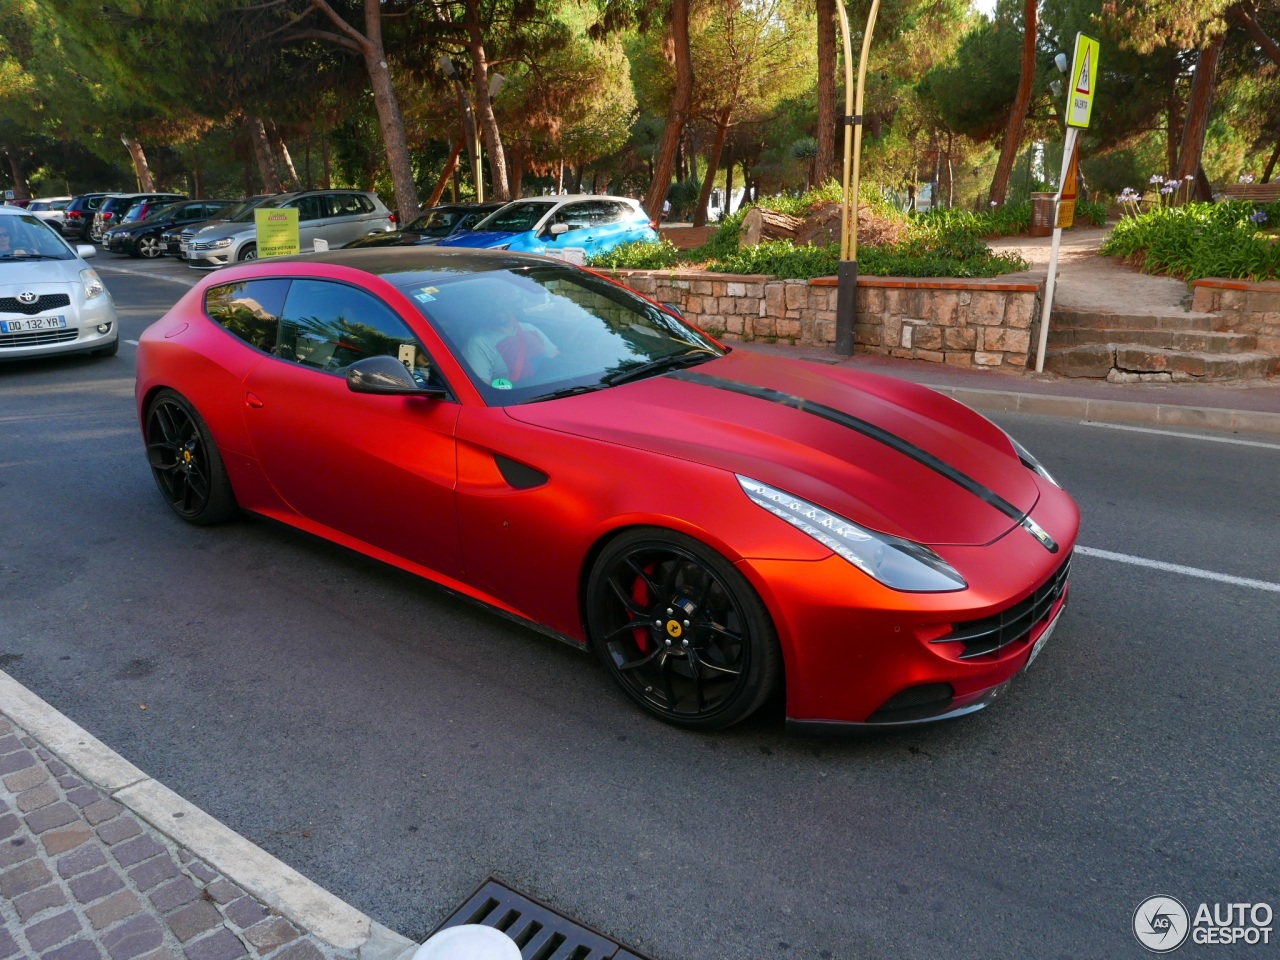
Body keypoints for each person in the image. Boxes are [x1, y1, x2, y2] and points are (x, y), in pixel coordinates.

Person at [464, 309, 559, 385]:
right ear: (485, 309)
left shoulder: (530, 329)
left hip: (549, 389)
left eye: (501, 304)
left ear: (511, 307)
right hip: (514, 399)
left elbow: (555, 359)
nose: (498, 309)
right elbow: (482, 388)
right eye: (492, 305)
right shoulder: (478, 343)